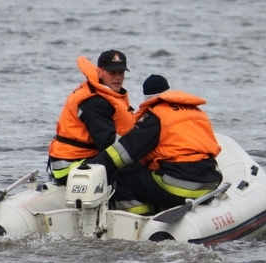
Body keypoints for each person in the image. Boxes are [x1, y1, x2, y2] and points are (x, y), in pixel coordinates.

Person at [86, 74, 222, 215]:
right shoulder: (196, 112)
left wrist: (93, 166)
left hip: (179, 185)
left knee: (123, 179)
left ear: (148, 99)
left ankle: (141, 221)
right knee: (143, 171)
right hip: (209, 181)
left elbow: (125, 151)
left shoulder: (156, 115)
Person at [48, 49, 136, 185]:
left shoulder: (102, 93)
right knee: (133, 171)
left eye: (121, 72)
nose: (118, 77)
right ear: (100, 72)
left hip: (80, 158)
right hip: (71, 165)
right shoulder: (94, 102)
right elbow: (107, 143)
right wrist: (140, 145)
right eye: (112, 72)